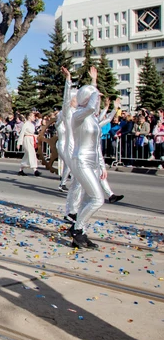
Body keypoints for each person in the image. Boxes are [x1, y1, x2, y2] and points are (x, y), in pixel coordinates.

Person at [66, 72, 106, 249]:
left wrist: (102, 165)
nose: (96, 101)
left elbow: (97, 145)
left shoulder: (93, 118)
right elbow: (90, 106)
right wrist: (95, 90)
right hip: (80, 160)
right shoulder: (78, 115)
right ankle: (76, 229)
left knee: (88, 199)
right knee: (98, 199)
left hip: (93, 161)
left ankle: (79, 233)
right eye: (93, 97)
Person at [17, 111, 40, 176]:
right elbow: (22, 133)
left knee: (27, 155)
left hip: (31, 139)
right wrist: (19, 143)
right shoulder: (26, 124)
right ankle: (35, 169)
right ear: (29, 117)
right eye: (33, 116)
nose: (34, 117)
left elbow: (33, 132)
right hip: (27, 140)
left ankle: (21, 169)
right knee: (31, 153)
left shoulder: (33, 124)